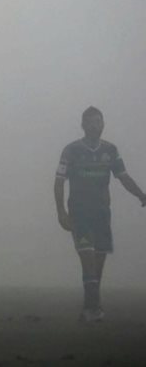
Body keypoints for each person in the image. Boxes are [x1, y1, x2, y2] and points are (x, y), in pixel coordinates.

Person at [54, 106, 146, 322]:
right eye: (93, 122)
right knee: (87, 259)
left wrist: (141, 195)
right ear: (84, 125)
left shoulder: (111, 150)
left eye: (100, 122)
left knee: (98, 263)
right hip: (80, 214)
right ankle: (92, 309)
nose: (97, 126)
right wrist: (61, 212)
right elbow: (58, 182)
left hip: (102, 214)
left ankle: (92, 307)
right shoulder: (71, 150)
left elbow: (123, 176)